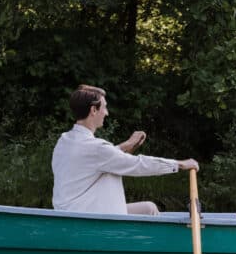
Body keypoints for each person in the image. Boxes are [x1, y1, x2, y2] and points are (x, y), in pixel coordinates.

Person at [52, 84, 199, 215]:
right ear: (93, 110)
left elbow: (96, 160)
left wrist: (126, 145)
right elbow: (137, 164)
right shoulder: (96, 148)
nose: (107, 113)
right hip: (89, 218)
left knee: (149, 209)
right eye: (104, 107)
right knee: (148, 209)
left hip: (74, 212)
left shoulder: (65, 140)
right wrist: (179, 164)